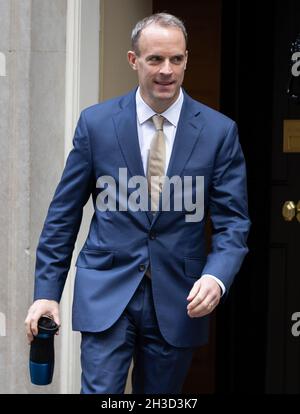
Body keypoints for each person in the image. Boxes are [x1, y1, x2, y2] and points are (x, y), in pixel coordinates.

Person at [25, 13, 250, 394]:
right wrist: (47, 292)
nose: (167, 70)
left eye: (176, 59)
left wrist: (216, 277)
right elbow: (63, 214)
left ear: (186, 59)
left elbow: (234, 223)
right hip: (106, 291)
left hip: (180, 296)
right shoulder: (95, 124)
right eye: (155, 59)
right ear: (134, 60)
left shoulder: (218, 132)